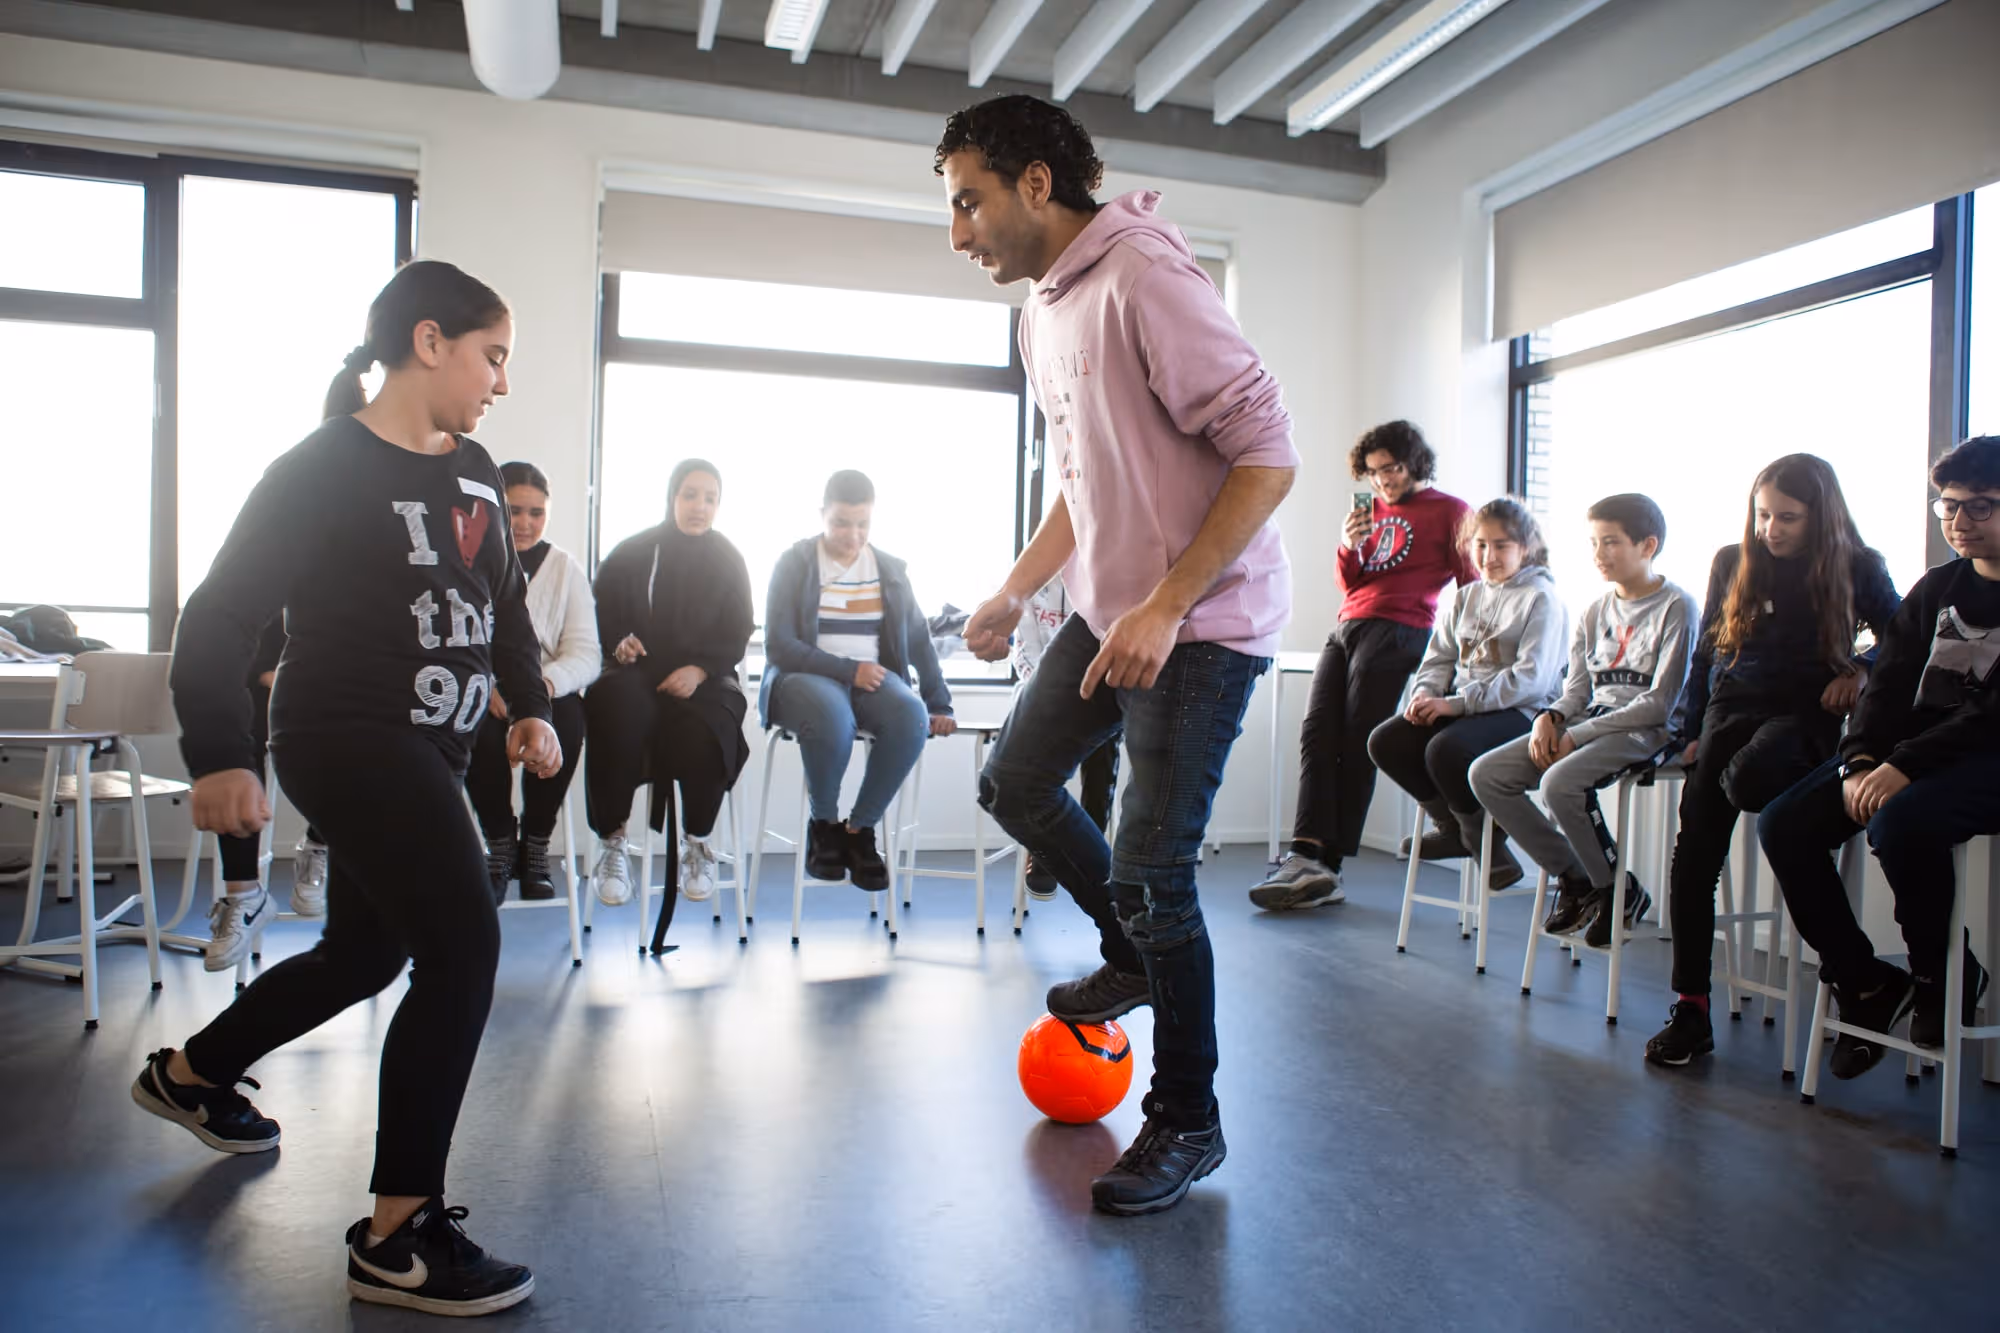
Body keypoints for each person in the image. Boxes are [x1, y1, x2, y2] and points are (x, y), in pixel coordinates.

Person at [132, 260, 556, 1317]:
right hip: (345, 734)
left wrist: (532, 702)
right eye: (490, 355)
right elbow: (218, 617)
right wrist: (220, 751)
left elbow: (501, 611)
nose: (499, 381)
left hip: (438, 749)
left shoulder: (475, 470)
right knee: (462, 942)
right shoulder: (321, 467)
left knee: (368, 948)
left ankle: (193, 1073)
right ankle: (396, 1234)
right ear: (428, 342)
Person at [941, 94, 1296, 1215]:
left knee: (1153, 868)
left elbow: (1267, 453)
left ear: (1034, 182)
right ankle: (1134, 954)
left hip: (1204, 620)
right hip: (1112, 607)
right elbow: (1082, 483)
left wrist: (1166, 604)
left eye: (968, 201)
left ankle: (1188, 1121)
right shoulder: (1042, 308)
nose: (959, 232)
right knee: (1013, 778)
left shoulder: (1146, 276)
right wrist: (1013, 586)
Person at [1755, 436, 2000, 1080]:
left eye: (1980, 507)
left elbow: (1991, 713)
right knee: (1783, 823)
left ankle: (1937, 976)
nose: (1958, 523)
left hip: (1986, 759)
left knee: (1901, 823)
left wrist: (1906, 765)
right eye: (1947, 507)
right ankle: (1867, 984)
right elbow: (1886, 684)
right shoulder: (1937, 587)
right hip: (1908, 757)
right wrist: (1862, 757)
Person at [1644, 455, 1900, 1068]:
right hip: (1729, 714)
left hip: (1802, 716)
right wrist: (1690, 728)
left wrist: (1860, 671)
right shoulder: (1733, 561)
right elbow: (1707, 652)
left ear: (1821, 517)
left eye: (1787, 517)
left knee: (1756, 783)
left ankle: (1855, 976)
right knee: (1694, 855)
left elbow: (1900, 636)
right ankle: (1691, 1007)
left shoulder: (1859, 565)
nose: (1771, 528)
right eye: (1763, 515)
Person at [1249, 420, 1476, 911]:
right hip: (1348, 625)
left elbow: (1471, 584)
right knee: (1316, 732)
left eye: (1390, 469)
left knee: (1358, 739)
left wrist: (1465, 654)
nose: (1382, 481)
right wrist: (1348, 544)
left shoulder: (1451, 511)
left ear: (1414, 462)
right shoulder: (1368, 512)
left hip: (1401, 627)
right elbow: (1349, 583)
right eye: (1372, 473)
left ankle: (1327, 866)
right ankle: (1305, 852)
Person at [1469, 494, 1696, 949]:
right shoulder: (1594, 610)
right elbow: (1577, 690)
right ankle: (1577, 876)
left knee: (1559, 784)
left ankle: (1616, 889)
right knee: (1487, 774)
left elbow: (1660, 705)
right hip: (1591, 721)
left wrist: (1576, 734)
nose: (1599, 555)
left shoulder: (1677, 607)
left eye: (1611, 543)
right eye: (1594, 543)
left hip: (1645, 731)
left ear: (1647, 545)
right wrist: (1549, 719)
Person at [761, 469, 954, 891]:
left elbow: (919, 638)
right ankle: (824, 827)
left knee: (910, 716)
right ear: (822, 515)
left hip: (870, 679)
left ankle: (858, 833)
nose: (853, 535)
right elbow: (778, 645)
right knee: (833, 717)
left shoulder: (888, 568)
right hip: (803, 677)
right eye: (841, 523)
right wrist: (848, 671)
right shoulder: (795, 563)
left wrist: (939, 703)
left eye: (863, 524)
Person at [1365, 498, 1567, 891]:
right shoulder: (1466, 596)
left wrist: (1455, 704)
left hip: (1524, 713)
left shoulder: (1541, 598)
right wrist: (1424, 696)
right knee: (1387, 741)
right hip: (1468, 709)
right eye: (1480, 544)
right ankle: (1457, 830)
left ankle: (1486, 845)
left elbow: (1531, 681)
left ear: (1525, 547)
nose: (1488, 555)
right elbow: (1438, 658)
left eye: (1501, 545)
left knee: (1445, 749)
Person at [586, 458, 753, 907]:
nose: (700, 506)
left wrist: (699, 670)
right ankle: (613, 841)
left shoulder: (729, 558)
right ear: (672, 497)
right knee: (611, 703)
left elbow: (739, 631)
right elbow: (601, 612)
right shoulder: (634, 551)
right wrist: (619, 643)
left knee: (712, 720)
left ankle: (697, 841)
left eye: (710, 498)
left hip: (708, 675)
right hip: (638, 671)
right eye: (690, 495)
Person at [462, 461, 599, 904]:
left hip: (545, 689)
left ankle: (536, 845)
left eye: (536, 512)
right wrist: (491, 687)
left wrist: (534, 688)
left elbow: (585, 654)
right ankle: (500, 843)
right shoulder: (466, 560)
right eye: (514, 510)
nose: (524, 522)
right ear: (495, 509)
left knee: (568, 722)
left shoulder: (565, 569)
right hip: (485, 690)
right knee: (477, 729)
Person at [204, 613, 330, 971]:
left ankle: (318, 844)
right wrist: (265, 672)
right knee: (233, 747)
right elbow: (220, 638)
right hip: (257, 682)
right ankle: (243, 894)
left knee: (353, 739)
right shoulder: (258, 571)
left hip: (324, 685)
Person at [1012, 577, 1119, 900]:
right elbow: (1023, 650)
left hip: (1096, 690)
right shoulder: (1031, 580)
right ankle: (1044, 851)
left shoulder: (1106, 575)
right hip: (1041, 693)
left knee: (1105, 746)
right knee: (1037, 762)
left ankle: (1089, 847)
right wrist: (1050, 692)